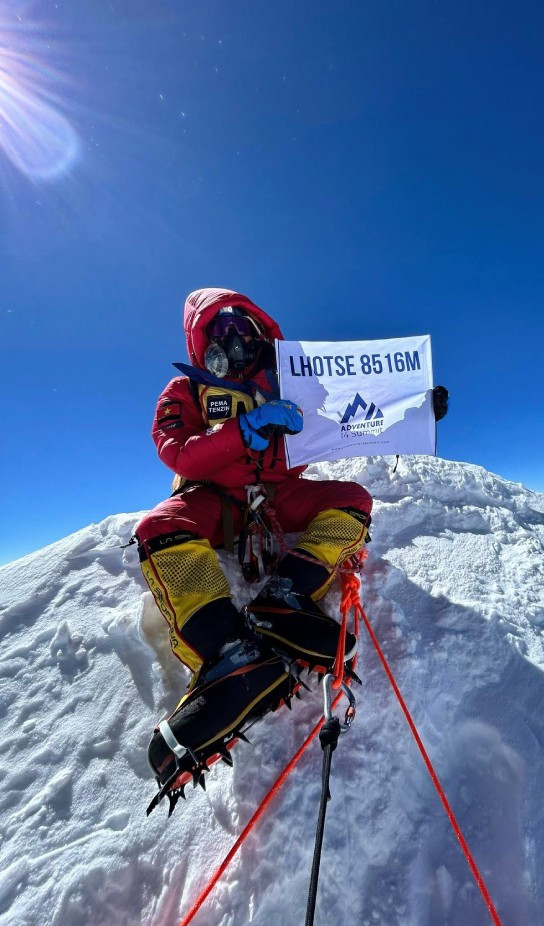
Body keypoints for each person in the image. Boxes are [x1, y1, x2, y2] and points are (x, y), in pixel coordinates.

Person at [137, 287, 373, 794]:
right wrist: (242, 431)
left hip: (280, 493)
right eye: (220, 331)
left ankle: (284, 601)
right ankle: (228, 653)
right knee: (159, 529)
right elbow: (178, 452)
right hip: (216, 499)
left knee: (353, 499)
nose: (237, 340)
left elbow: (354, 412)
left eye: (245, 328)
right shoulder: (185, 391)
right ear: (202, 341)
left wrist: (414, 409)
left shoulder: (291, 381)